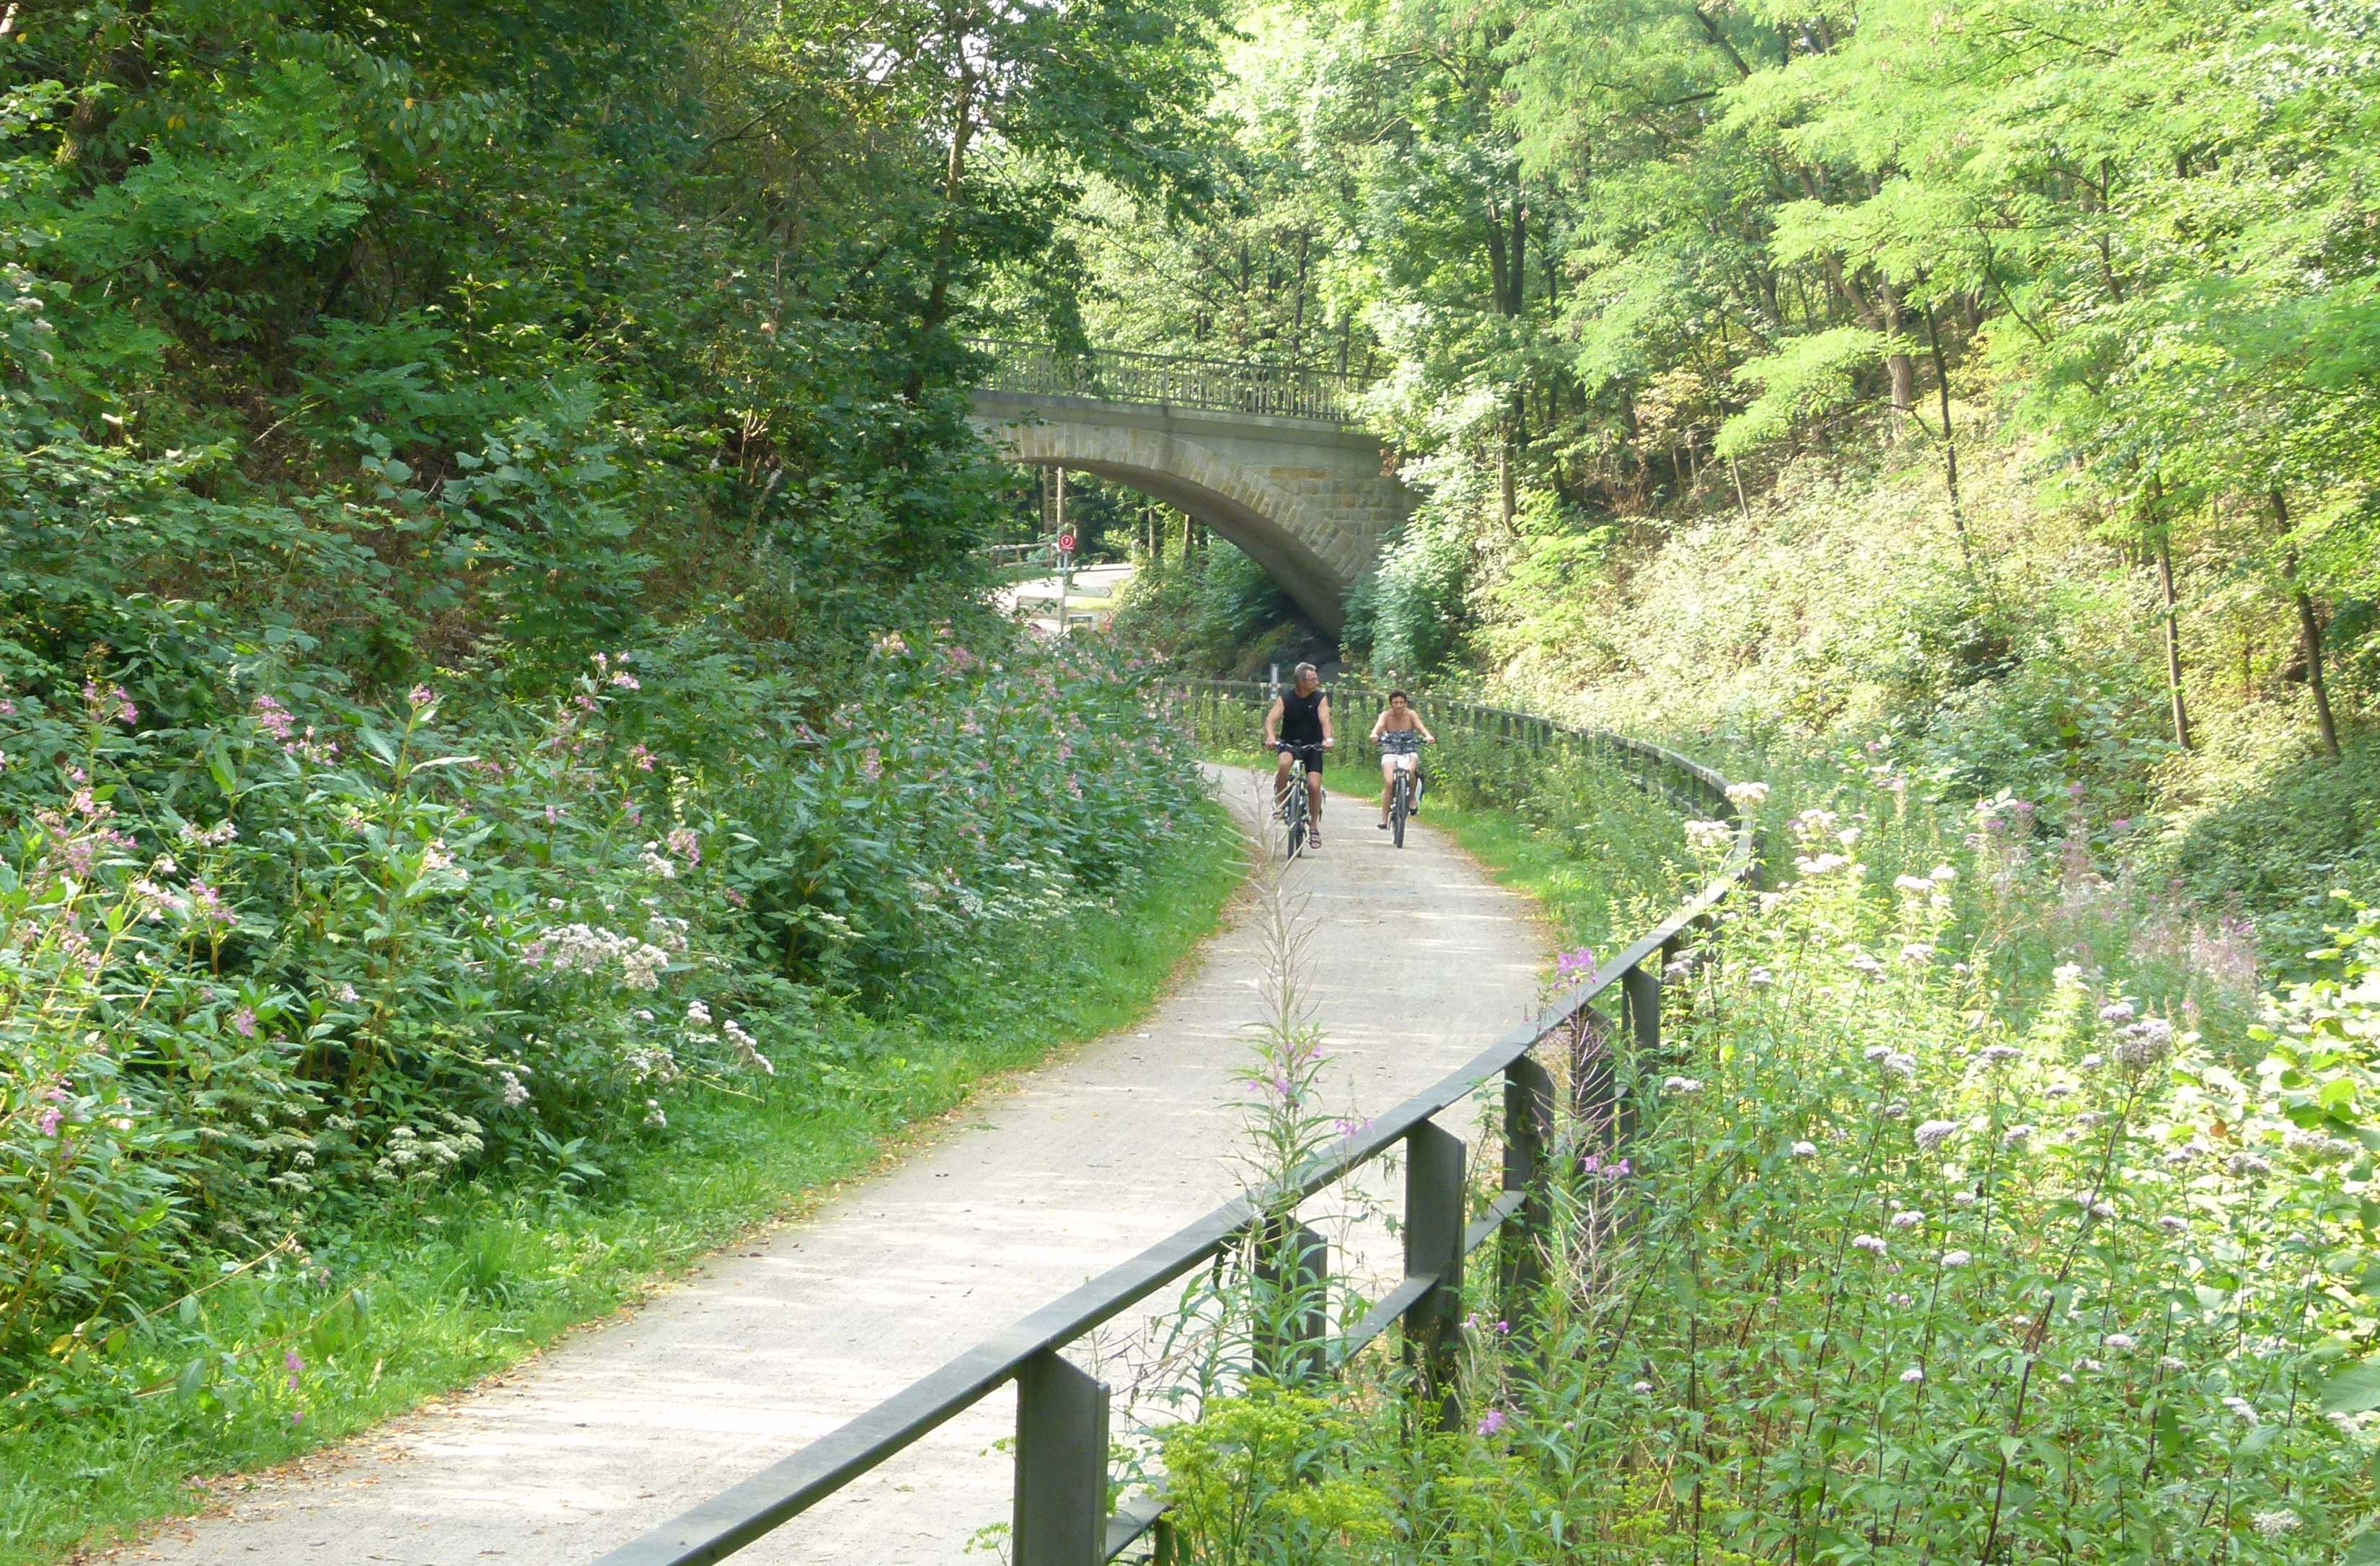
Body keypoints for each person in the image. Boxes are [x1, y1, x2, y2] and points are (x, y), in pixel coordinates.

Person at [1261, 663, 1334, 846]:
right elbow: (1271, 719)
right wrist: (1271, 737)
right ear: (1301, 682)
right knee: (1284, 763)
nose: (1317, 682)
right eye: (1313, 679)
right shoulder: (1286, 698)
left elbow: (1325, 720)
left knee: (1314, 785)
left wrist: (1328, 739)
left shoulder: (1320, 698)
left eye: (1316, 678)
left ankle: (1314, 827)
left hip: (1313, 746)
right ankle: (1282, 803)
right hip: (1290, 744)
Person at [1368, 690, 1434, 830]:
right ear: (1391, 704)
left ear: (1406, 703)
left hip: (1409, 749)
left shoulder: (1411, 714)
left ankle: (1411, 798)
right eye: (1395, 703)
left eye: (1401, 702)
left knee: (1409, 772)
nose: (1398, 706)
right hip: (1390, 749)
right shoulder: (1386, 715)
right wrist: (1374, 735)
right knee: (1389, 782)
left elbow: (1420, 727)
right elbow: (1379, 727)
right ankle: (1384, 819)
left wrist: (1428, 736)